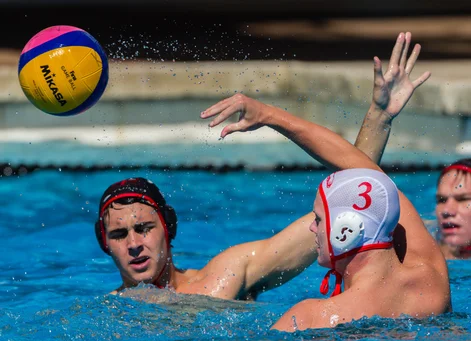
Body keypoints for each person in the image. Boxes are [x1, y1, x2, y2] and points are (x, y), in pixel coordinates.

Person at [97, 32, 451, 321]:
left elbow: (351, 198)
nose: (133, 244)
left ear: (168, 228)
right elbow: (359, 197)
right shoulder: (429, 279)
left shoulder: (232, 277)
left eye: (144, 228)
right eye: (118, 233)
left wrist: (376, 119)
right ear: (104, 243)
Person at [271, 168, 450, 332]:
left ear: (345, 229)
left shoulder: (311, 318)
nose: (312, 227)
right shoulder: (431, 283)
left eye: (318, 219)